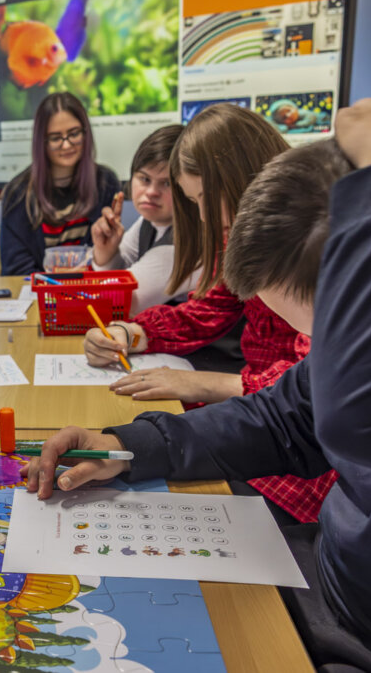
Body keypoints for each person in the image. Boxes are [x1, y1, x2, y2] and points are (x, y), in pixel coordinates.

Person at [23, 97, 371, 671]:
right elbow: (284, 415)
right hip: (324, 574)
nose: (323, 350)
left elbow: (352, 416)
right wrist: (124, 445)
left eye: (325, 329)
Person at [86, 104, 331, 524]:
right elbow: (210, 307)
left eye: (202, 198)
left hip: (294, 440)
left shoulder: (309, 242)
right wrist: (133, 332)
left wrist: (207, 383)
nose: (199, 214)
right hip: (267, 414)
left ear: (237, 183)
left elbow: (311, 390)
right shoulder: (240, 231)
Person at [0, 92, 120, 275]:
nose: (66, 145)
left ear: (85, 133)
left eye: (74, 134)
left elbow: (106, 262)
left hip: (89, 295)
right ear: (42, 142)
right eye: (55, 138)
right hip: (40, 298)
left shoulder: (106, 183)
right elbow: (17, 272)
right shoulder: (18, 193)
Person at [89, 124, 198, 314]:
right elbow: (116, 277)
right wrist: (106, 252)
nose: (151, 193)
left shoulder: (180, 244)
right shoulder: (153, 220)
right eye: (144, 179)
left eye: (166, 183)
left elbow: (118, 304)